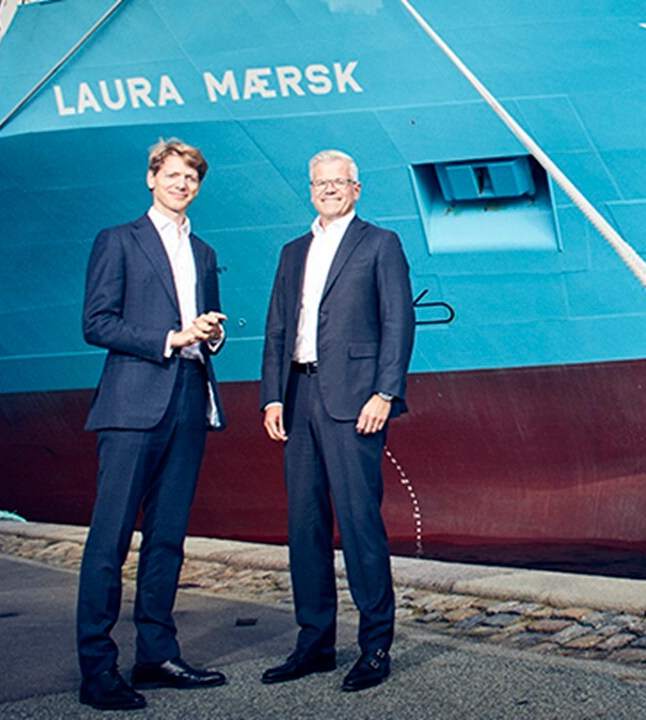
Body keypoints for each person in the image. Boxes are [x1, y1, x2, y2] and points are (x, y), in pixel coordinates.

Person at [76, 139, 229, 711]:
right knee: (109, 542)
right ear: (151, 179)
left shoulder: (206, 251)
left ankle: (156, 654)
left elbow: (206, 328)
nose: (182, 184)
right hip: (132, 404)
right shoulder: (118, 240)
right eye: (173, 175)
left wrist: (211, 335)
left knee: (167, 539)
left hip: (190, 401)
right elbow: (96, 323)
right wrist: (169, 339)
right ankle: (97, 671)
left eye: (192, 177)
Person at [259, 149, 415, 692]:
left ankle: (375, 646)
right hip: (298, 397)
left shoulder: (380, 244)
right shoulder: (291, 252)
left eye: (338, 182)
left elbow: (398, 322)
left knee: (360, 523)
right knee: (304, 526)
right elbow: (278, 328)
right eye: (319, 182)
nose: (328, 189)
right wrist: (271, 398)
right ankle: (315, 642)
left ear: (356, 187)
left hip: (355, 401)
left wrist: (386, 392)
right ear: (311, 189)